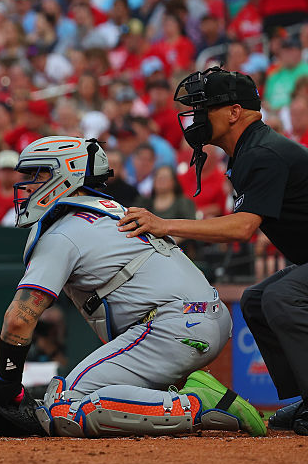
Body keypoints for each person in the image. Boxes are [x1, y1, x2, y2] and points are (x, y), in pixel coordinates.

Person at [0, 136, 266, 439]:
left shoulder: (62, 233)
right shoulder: (113, 210)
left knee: (64, 405)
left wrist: (6, 389)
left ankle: (200, 403)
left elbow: (19, 319)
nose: (27, 185)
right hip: (204, 318)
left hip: (171, 327)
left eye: (37, 175)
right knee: (97, 392)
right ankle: (183, 392)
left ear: (65, 175)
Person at [120, 68, 308, 435]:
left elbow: (242, 228)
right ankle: (305, 397)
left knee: (281, 297)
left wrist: (165, 224)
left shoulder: (263, 152)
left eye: (204, 108)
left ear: (234, 112)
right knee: (256, 299)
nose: (196, 118)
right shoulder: (250, 151)